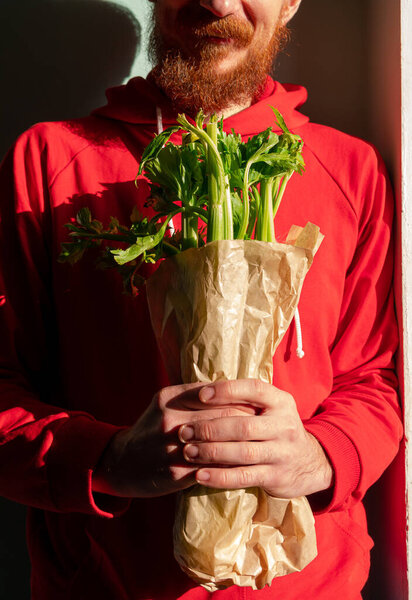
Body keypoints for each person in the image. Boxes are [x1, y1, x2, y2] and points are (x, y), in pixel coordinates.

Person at [0, 0, 402, 598]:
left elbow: (377, 379)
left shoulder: (351, 169)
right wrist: (106, 461)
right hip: (103, 584)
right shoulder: (51, 160)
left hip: (309, 586)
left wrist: (320, 457)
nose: (215, 1)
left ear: (290, 3)